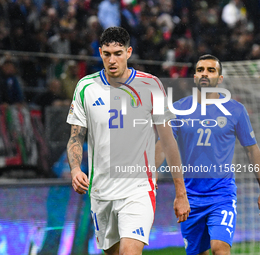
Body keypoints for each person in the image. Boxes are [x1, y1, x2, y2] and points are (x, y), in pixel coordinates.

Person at [66, 26, 190, 255]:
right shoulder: (85, 87)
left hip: (138, 190)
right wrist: (75, 169)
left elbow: (168, 140)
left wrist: (180, 192)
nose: (112, 60)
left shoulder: (150, 85)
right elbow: (75, 137)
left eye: (118, 53)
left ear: (129, 52)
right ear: (100, 53)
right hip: (101, 192)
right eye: (107, 54)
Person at [155, 54, 260, 255]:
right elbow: (164, 144)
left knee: (220, 249)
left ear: (220, 79)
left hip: (222, 194)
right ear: (194, 77)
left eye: (211, 70)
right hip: (190, 197)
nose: (205, 74)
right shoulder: (178, 109)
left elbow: (252, 149)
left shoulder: (236, 110)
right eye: (201, 69)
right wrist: (151, 173)